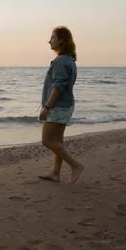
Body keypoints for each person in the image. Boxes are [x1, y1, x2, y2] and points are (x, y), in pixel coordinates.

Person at [38, 26, 84, 183]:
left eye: (53, 38)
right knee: (57, 141)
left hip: (58, 107)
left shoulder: (61, 61)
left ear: (62, 41)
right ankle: (55, 173)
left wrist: (47, 107)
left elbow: (58, 86)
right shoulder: (69, 60)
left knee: (47, 141)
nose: (49, 41)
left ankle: (75, 165)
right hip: (66, 105)